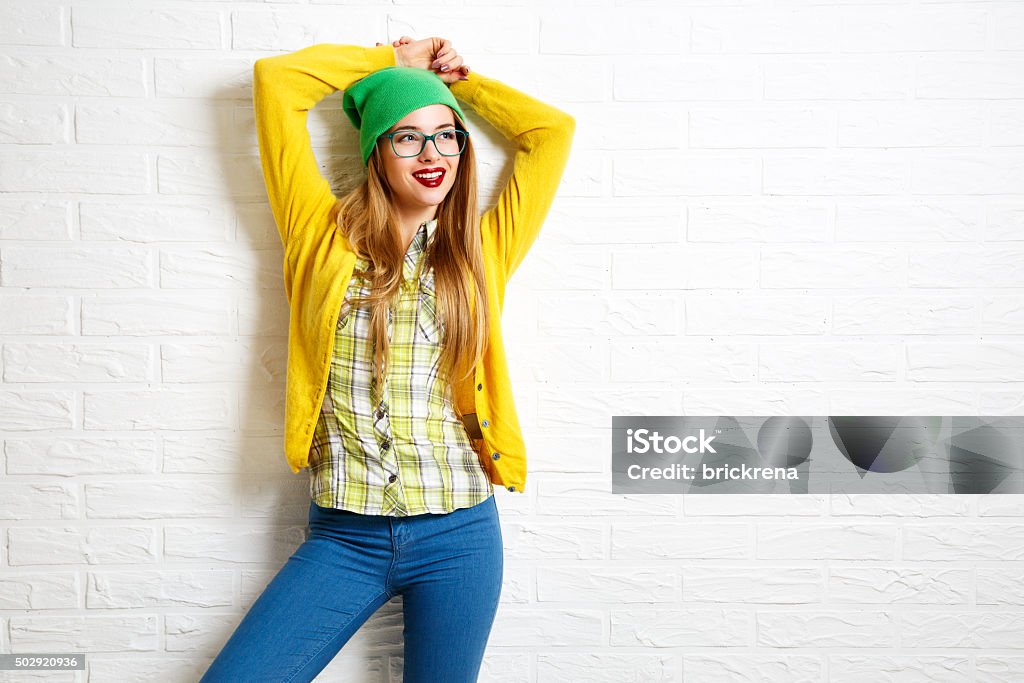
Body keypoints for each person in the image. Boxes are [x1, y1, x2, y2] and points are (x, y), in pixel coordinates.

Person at [199, 35, 574, 682]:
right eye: (406, 137)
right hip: (346, 537)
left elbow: (551, 132)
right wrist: (388, 64)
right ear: (376, 151)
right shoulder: (317, 234)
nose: (432, 155)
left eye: (446, 136)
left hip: (461, 533)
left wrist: (464, 83)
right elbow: (276, 83)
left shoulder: (480, 251)